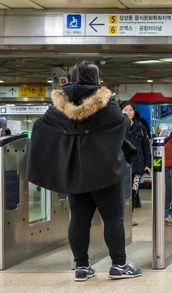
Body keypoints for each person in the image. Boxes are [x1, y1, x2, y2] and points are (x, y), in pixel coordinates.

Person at [27, 61, 142, 281]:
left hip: (74, 169)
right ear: (96, 77)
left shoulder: (59, 104)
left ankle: (81, 267)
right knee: (113, 218)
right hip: (105, 170)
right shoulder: (106, 102)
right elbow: (122, 125)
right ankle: (118, 265)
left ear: (72, 77)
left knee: (79, 219)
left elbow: (41, 127)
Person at [120, 102, 151, 225]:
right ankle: (120, 215)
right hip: (120, 165)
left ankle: (129, 215)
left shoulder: (141, 127)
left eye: (130, 110)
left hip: (137, 165)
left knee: (134, 191)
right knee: (120, 192)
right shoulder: (116, 126)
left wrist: (148, 164)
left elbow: (146, 147)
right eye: (125, 110)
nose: (128, 112)